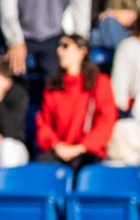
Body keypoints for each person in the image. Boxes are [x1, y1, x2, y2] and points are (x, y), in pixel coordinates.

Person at [34, 34, 116, 170]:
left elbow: (106, 120)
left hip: (87, 151)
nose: (59, 51)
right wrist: (55, 145)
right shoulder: (53, 87)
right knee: (41, 166)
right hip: (59, 150)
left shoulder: (99, 82)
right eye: (59, 47)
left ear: (82, 51)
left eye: (65, 46)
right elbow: (44, 123)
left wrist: (81, 147)